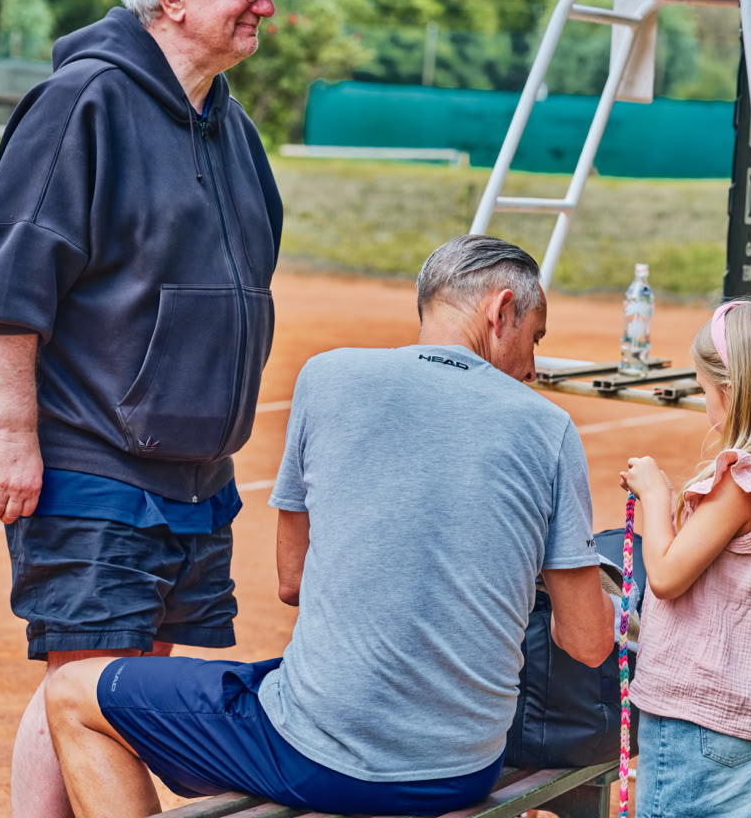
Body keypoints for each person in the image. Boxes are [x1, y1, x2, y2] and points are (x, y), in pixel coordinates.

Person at [44, 234, 616, 818]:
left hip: (318, 758)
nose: (532, 366)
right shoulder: (550, 428)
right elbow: (589, 644)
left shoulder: (327, 378)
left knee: (70, 692)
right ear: (501, 312)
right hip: (463, 769)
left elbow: (291, 581)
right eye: (535, 339)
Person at [0, 0, 303, 818]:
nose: (262, 7)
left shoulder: (226, 125)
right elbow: (7, 285)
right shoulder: (86, 101)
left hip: (193, 471)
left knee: (111, 693)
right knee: (93, 685)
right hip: (92, 457)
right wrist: (13, 435)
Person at [621, 299, 751, 818]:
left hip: (701, 721)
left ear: (729, 392)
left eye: (704, 389)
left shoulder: (740, 479)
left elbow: (664, 575)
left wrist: (654, 498)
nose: (705, 401)